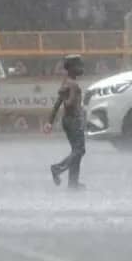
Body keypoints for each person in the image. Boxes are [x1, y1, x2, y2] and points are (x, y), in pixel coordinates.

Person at [45, 54, 87, 189]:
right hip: (74, 121)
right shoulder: (73, 84)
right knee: (80, 150)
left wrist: (50, 122)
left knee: (76, 151)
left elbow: (58, 103)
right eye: (79, 65)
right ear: (71, 68)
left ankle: (73, 183)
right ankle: (57, 168)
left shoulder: (66, 82)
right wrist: (75, 102)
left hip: (67, 121)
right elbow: (68, 104)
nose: (81, 68)